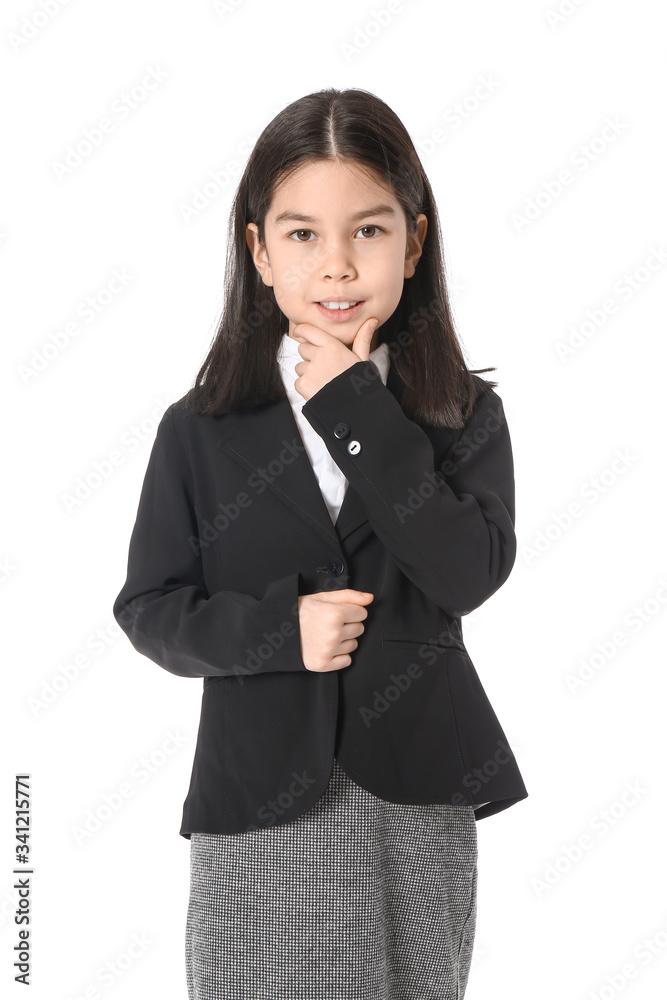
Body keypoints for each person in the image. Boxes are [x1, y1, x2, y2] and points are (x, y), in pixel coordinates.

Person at [113, 86, 529, 1000]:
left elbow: (466, 573)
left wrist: (355, 407)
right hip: (257, 794)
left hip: (415, 795)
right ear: (259, 251)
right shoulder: (202, 428)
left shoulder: (462, 416)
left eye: (368, 232)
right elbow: (148, 608)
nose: (336, 267)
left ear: (413, 243)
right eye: (302, 235)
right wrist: (277, 632)